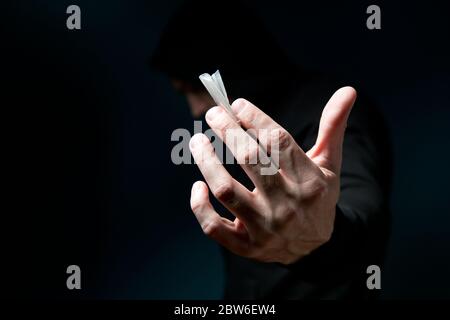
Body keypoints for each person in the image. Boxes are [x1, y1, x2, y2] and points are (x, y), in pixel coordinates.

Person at [151, 0, 392, 299]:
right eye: (183, 93)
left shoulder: (326, 112)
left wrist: (317, 237)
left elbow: (363, 215)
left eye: (197, 88)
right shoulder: (233, 137)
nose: (195, 109)